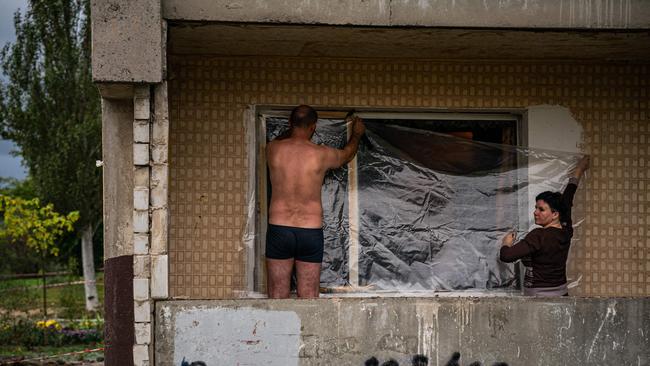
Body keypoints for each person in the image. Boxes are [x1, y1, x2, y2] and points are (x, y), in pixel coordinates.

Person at [266, 105, 365, 298]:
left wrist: (293, 128)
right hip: (310, 231)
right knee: (309, 296)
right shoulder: (321, 154)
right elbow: (347, 154)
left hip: (279, 228)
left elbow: (279, 138)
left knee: (277, 297)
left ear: (290, 124)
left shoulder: (273, 149)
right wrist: (357, 134)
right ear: (313, 127)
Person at [499, 156, 590, 296]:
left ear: (554, 214)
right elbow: (567, 198)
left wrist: (506, 243)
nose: (535, 212)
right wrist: (579, 170)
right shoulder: (565, 230)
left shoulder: (538, 236)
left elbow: (506, 256)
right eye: (536, 208)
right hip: (562, 295)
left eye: (541, 209)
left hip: (539, 301)